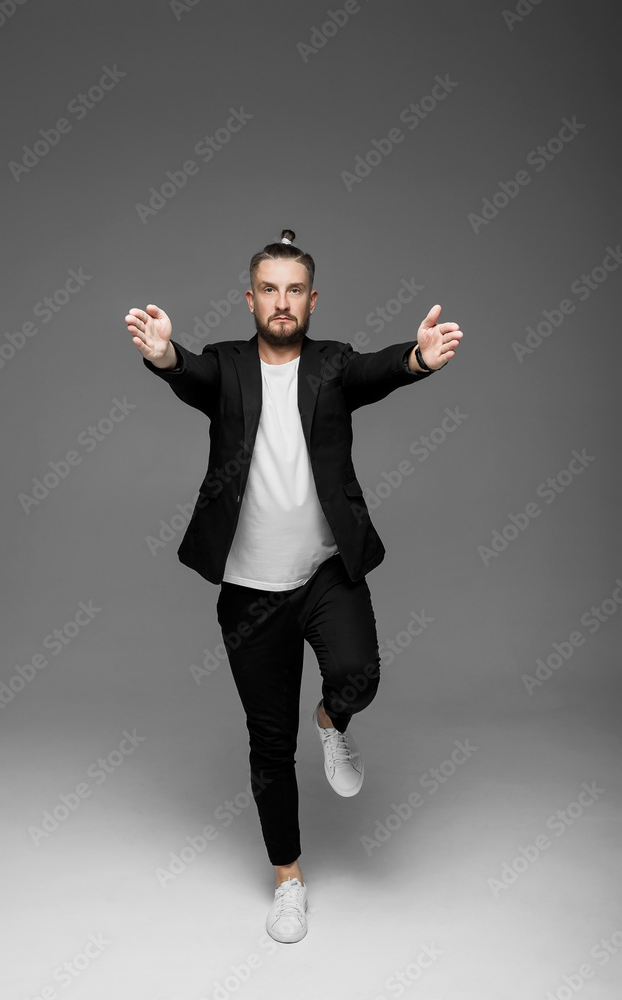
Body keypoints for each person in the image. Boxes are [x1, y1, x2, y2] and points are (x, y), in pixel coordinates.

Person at [124, 230, 462, 943]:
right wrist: (163, 354)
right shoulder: (227, 366)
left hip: (322, 574)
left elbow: (378, 370)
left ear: (313, 299)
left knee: (358, 675)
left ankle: (332, 723)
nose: (282, 303)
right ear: (250, 299)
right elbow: (191, 376)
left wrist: (415, 359)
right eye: (268, 290)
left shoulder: (331, 365)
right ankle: (288, 881)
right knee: (267, 746)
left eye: (294, 290)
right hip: (249, 595)